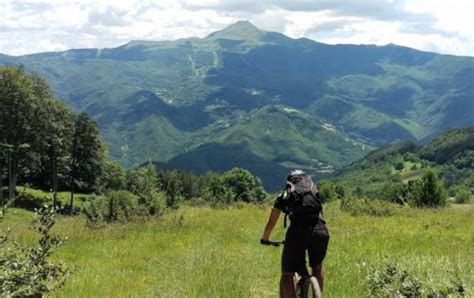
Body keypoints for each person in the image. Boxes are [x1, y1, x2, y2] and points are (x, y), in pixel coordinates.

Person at [261, 170, 330, 298]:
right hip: (320, 230)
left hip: (298, 231)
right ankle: (318, 294)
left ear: (289, 182)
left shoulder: (284, 195)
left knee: (288, 273)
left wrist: (265, 239)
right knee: (317, 267)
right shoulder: (313, 191)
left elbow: (271, 222)